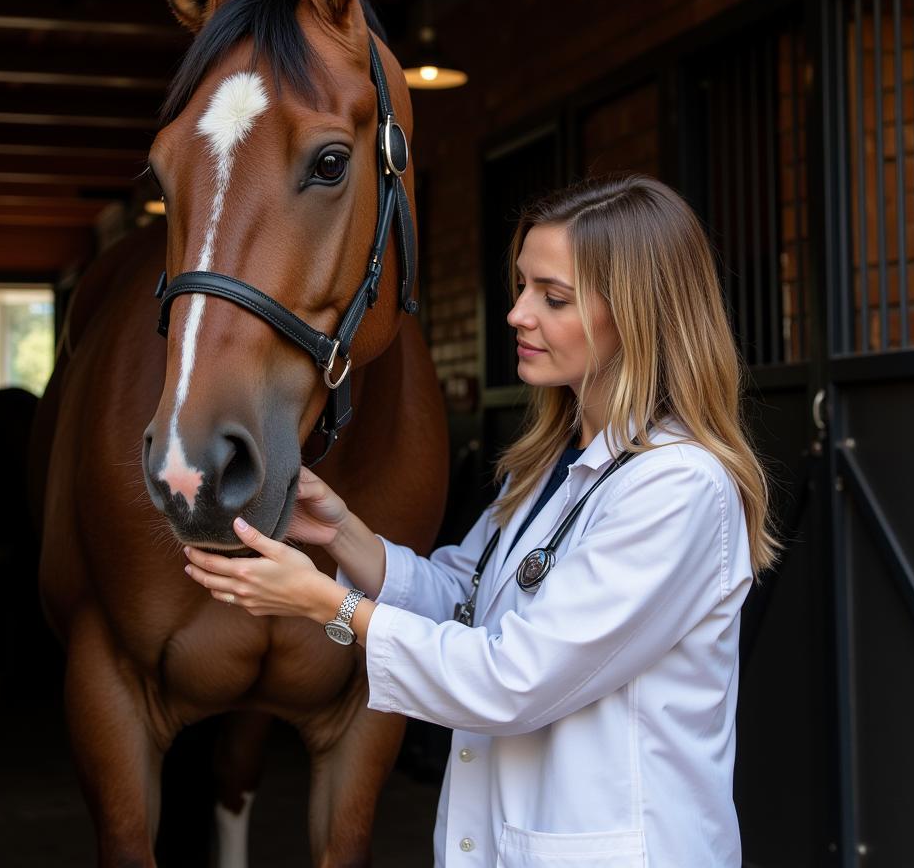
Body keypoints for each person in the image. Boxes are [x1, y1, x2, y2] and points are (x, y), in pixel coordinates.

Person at [183, 174, 780, 867]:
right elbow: (468, 604)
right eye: (523, 286)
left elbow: (513, 678)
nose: (517, 314)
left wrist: (331, 606)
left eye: (552, 297)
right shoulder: (554, 462)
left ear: (638, 315)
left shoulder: (678, 488)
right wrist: (341, 532)